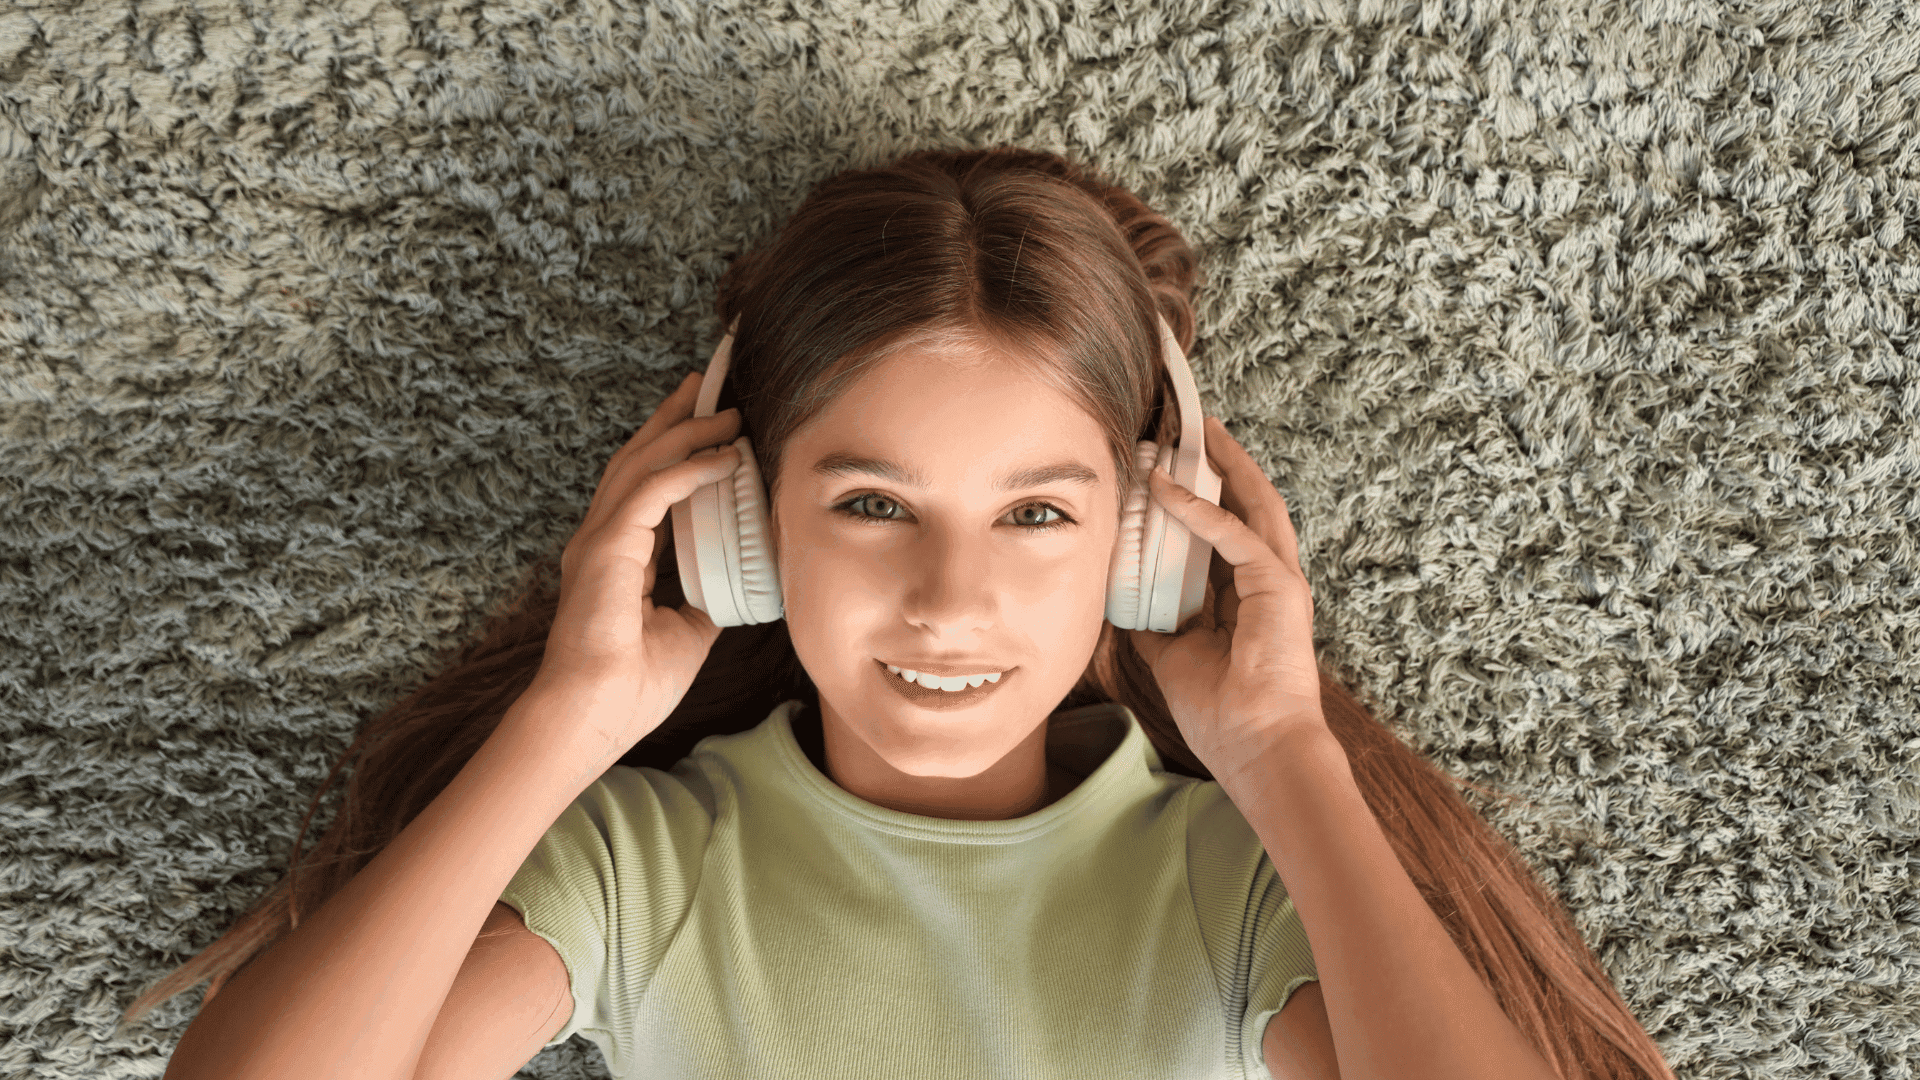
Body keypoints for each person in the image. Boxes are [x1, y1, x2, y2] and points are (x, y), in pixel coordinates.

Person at [130, 146, 1675, 1080]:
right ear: (739, 525)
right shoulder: (655, 864)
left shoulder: (1227, 883)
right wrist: (569, 716)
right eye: (871, 506)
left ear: (1147, 543)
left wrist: (1283, 748)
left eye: (1040, 514)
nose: (953, 601)